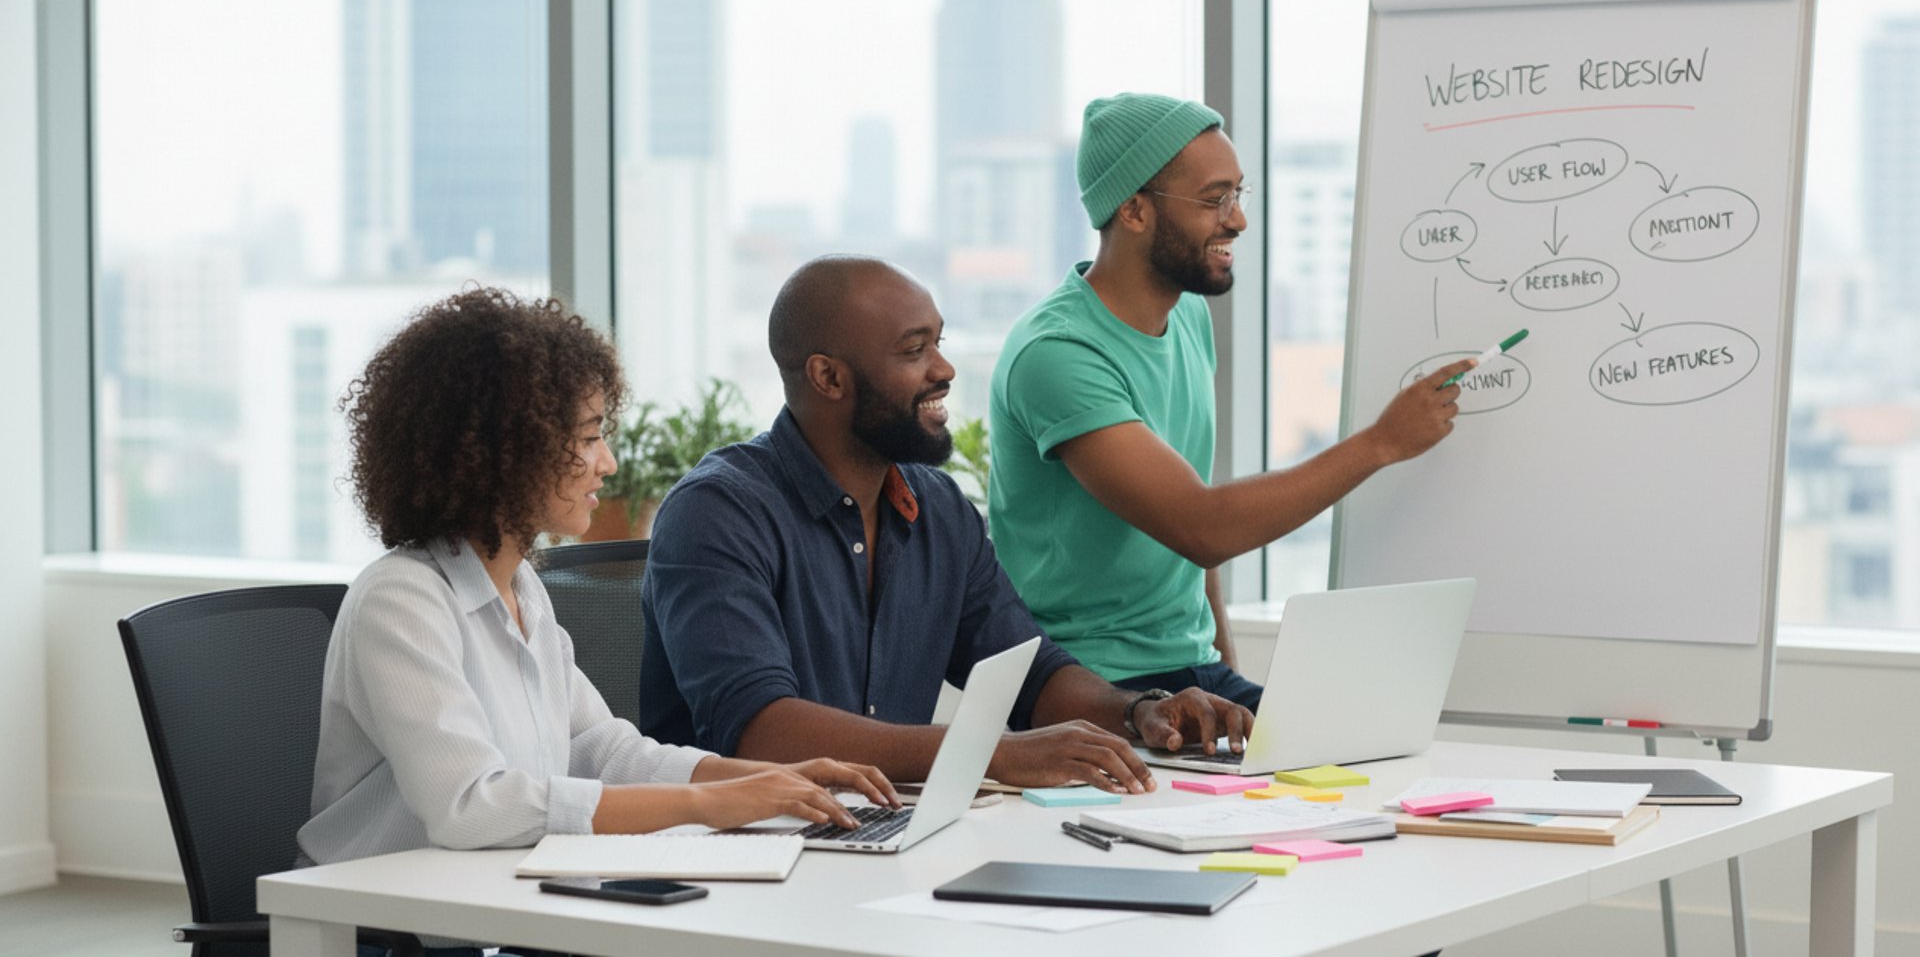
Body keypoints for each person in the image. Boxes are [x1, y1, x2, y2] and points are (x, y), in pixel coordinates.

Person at [299, 287, 896, 956]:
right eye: (587, 439)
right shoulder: (401, 600)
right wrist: (705, 806)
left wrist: (762, 781)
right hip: (383, 932)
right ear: (505, 452)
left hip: (493, 909)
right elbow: (473, 807)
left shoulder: (523, 588)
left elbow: (605, 751)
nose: (606, 464)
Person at [639, 257, 1254, 794]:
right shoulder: (717, 513)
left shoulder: (935, 507)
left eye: (939, 341)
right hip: (737, 854)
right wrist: (990, 754)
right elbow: (761, 730)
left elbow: (1031, 674)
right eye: (915, 350)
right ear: (828, 377)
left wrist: (1140, 710)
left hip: (877, 834)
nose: (944, 369)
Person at [988, 93, 1472, 714]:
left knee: (1364, 751)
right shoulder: (1058, 354)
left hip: (1192, 672)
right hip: (1088, 690)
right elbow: (1200, 525)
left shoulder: (1187, 315)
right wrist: (1380, 443)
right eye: (1215, 199)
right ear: (1133, 211)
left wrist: (1223, 663)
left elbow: (1188, 516)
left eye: (1240, 195)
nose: (1238, 220)